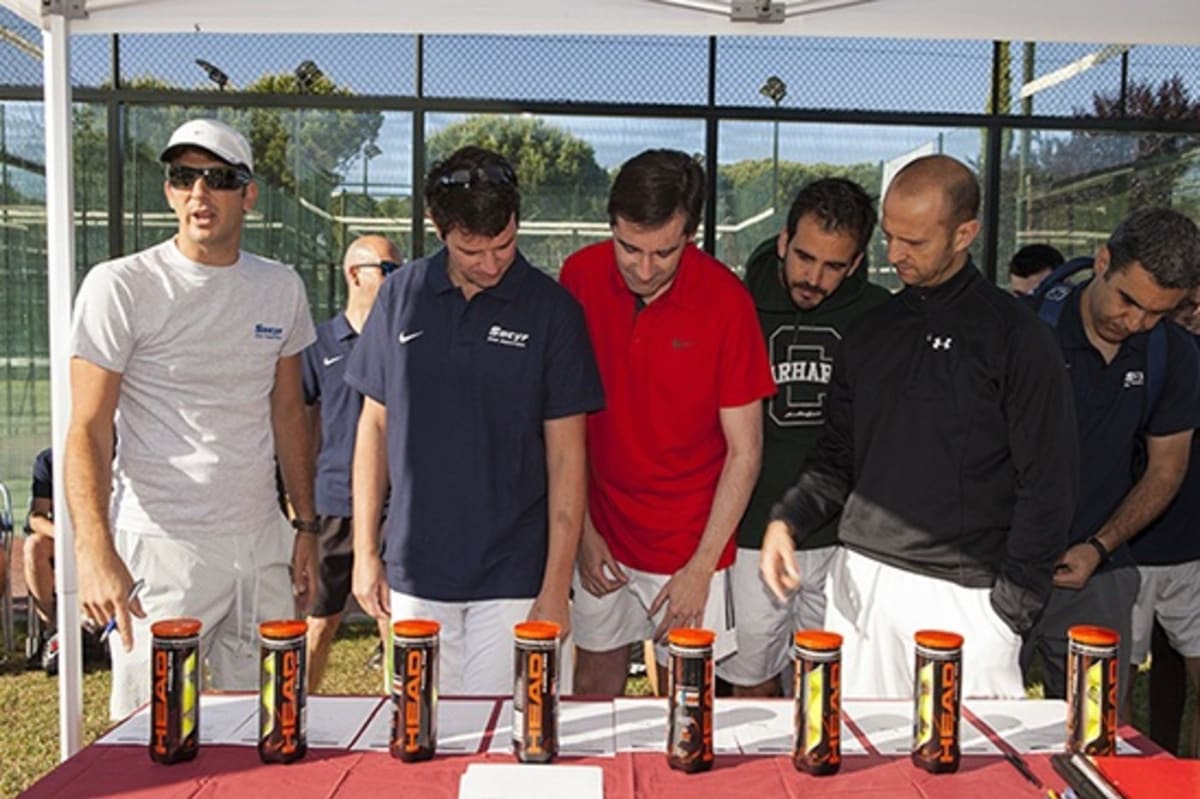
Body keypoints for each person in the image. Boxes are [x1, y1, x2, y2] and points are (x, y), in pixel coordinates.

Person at [761, 155, 1078, 700]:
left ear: (965, 234)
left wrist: (1009, 613)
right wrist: (787, 521)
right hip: (860, 584)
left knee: (967, 780)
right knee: (857, 769)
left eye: (915, 241)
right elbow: (837, 454)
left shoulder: (1018, 338)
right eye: (889, 236)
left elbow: (1049, 484)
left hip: (968, 602)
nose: (894, 254)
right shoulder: (868, 330)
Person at [67, 118, 319, 719]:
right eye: (184, 177)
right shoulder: (120, 286)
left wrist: (304, 529)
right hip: (160, 551)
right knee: (155, 733)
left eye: (219, 178)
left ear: (249, 194)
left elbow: (289, 414)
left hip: (260, 546)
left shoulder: (280, 288)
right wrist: (95, 550)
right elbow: (87, 428)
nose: (200, 194)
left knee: (273, 722)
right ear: (169, 191)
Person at [347, 146, 603, 694]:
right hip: (417, 569)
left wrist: (557, 586)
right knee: (422, 737)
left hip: (516, 577)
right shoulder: (399, 295)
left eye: (504, 244)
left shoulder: (554, 311)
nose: (491, 264)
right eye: (471, 250)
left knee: (512, 743)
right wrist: (365, 550)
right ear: (439, 229)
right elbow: (373, 426)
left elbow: (567, 457)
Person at [561, 149, 776, 695]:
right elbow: (565, 425)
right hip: (604, 532)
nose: (643, 267)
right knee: (593, 681)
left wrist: (702, 566)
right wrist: (583, 534)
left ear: (691, 237)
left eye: (664, 252)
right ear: (610, 224)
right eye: (628, 247)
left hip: (688, 543)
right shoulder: (579, 277)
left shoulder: (728, 302)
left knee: (687, 700)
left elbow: (745, 452)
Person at [716, 178, 889, 698]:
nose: (813, 278)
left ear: (857, 263)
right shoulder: (738, 303)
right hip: (752, 531)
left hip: (843, 537)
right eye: (805, 258)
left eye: (834, 266)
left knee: (828, 686)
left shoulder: (880, 316)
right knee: (751, 680)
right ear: (785, 240)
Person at [1020, 208, 1200, 707]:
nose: (1137, 322)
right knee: (976, 734)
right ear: (1102, 262)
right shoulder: (1026, 331)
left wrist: (1099, 546)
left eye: (1157, 313)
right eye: (1129, 300)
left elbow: (1167, 469)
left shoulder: (1174, 354)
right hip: (1000, 567)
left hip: (1100, 573)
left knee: (1096, 737)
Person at [302, 235, 402, 691]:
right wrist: (297, 503)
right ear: (354, 273)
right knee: (320, 623)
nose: (397, 278)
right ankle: (296, 712)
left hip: (394, 508)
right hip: (334, 507)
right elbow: (298, 423)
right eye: (388, 268)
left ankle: (402, 721)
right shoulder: (317, 342)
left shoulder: (406, 343)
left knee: (394, 623)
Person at [1127, 286, 1200, 747]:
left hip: (1191, 553)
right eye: (1186, 303)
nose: (1194, 313)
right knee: (1108, 690)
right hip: (1126, 552)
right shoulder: (1139, 350)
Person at [24, 448, 56, 668]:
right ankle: (52, 632)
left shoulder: (121, 449)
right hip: (68, 539)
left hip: (113, 535)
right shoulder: (48, 460)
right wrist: (65, 537)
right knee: (34, 546)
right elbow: (36, 517)